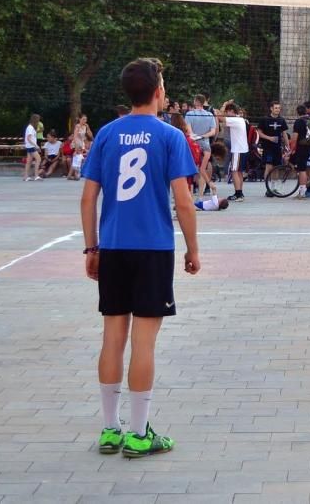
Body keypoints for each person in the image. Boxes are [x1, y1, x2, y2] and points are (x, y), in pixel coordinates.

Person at [80, 57, 200, 458]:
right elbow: (183, 201)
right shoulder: (169, 136)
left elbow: (88, 196)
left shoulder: (108, 134)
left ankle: (109, 430)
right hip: (152, 250)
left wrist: (91, 247)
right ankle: (137, 433)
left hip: (113, 247)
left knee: (113, 337)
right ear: (159, 92)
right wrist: (193, 250)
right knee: (144, 343)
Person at [185, 94, 217, 197]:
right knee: (203, 169)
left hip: (194, 145)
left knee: (192, 171)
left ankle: (190, 195)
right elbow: (213, 132)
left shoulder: (189, 114)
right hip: (206, 144)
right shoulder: (209, 115)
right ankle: (202, 195)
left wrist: (197, 137)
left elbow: (189, 132)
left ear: (196, 101)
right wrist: (203, 136)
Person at [217, 101, 249, 202]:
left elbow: (220, 117)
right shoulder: (240, 119)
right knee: (239, 171)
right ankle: (239, 192)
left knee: (234, 171)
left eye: (227, 112)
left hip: (238, 149)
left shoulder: (235, 119)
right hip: (242, 149)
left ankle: (238, 194)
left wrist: (223, 105)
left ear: (231, 111)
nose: (226, 114)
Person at [257, 101, 289, 197]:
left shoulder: (281, 120)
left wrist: (287, 146)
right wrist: (269, 138)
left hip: (277, 147)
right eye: (276, 108)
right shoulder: (265, 119)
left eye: (279, 108)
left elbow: (284, 134)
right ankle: (268, 188)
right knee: (268, 166)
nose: (277, 110)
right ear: (271, 108)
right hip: (267, 147)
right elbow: (259, 132)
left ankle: (274, 188)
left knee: (276, 168)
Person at [291, 105, 310, 199]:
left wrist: (291, 149)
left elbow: (294, 138)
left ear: (297, 112)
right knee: (294, 161)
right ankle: (305, 179)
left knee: (302, 169)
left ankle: (302, 192)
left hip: (302, 147)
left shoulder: (298, 122)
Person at [23, 114, 42, 181]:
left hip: (29, 146)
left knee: (29, 161)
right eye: (38, 120)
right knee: (38, 159)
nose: (38, 122)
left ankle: (26, 176)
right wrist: (36, 146)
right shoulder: (30, 128)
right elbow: (29, 138)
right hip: (31, 146)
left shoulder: (29, 127)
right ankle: (36, 175)